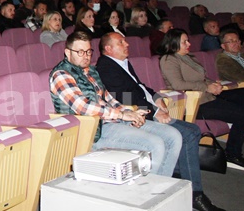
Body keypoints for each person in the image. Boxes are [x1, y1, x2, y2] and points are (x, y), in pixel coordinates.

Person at [96, 33, 227, 211]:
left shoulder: (122, 62)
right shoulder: (106, 67)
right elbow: (122, 97)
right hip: (137, 115)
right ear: (108, 49)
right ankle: (195, 194)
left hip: (147, 108)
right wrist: (154, 111)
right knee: (188, 134)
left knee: (193, 130)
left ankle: (178, 172)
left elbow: (139, 86)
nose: (127, 44)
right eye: (121, 42)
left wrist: (156, 96)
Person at [50, 31, 181, 178]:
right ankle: (147, 190)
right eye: (80, 52)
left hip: (113, 121)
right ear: (68, 52)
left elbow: (109, 98)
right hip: (93, 131)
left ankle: (160, 185)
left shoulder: (91, 71)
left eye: (88, 51)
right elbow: (83, 107)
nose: (86, 56)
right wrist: (122, 115)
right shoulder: (61, 74)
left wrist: (130, 114)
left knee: (173, 136)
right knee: (154, 145)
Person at [159, 29, 244, 170]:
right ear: (173, 43)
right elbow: (177, 84)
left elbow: (202, 78)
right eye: (184, 42)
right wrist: (207, 86)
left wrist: (213, 84)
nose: (189, 44)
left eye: (188, 40)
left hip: (206, 94)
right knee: (243, 115)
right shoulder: (168, 59)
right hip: (193, 102)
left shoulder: (189, 57)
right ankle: (232, 155)